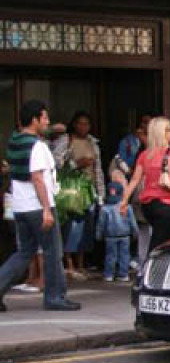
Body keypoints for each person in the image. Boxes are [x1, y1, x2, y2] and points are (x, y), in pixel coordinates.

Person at [0, 100, 80, 312]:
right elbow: (37, 178)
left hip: (20, 207)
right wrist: (46, 209)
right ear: (35, 120)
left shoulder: (15, 141)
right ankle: (55, 297)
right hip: (38, 206)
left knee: (24, 252)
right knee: (53, 251)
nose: (48, 121)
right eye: (44, 117)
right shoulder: (38, 146)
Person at [120, 116, 170, 250]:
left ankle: (165, 268)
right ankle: (150, 268)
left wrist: (124, 200)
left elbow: (135, 180)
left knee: (168, 240)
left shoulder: (144, 155)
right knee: (158, 244)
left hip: (148, 205)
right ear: (162, 133)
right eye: (169, 130)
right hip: (166, 203)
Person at [56, 111, 105, 280]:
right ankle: (69, 265)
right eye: (80, 123)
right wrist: (76, 164)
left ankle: (82, 263)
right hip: (71, 190)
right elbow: (56, 163)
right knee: (71, 227)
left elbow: (98, 171)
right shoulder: (65, 140)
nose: (83, 127)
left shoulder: (93, 143)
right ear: (74, 124)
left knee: (86, 228)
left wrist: (101, 194)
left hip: (88, 190)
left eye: (87, 124)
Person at [96, 181, 138, 282]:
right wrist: (135, 233)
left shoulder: (105, 209)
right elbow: (132, 222)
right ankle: (123, 274)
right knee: (124, 255)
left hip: (110, 236)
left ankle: (109, 274)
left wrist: (98, 235)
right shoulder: (127, 207)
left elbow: (101, 224)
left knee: (110, 256)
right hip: (125, 235)